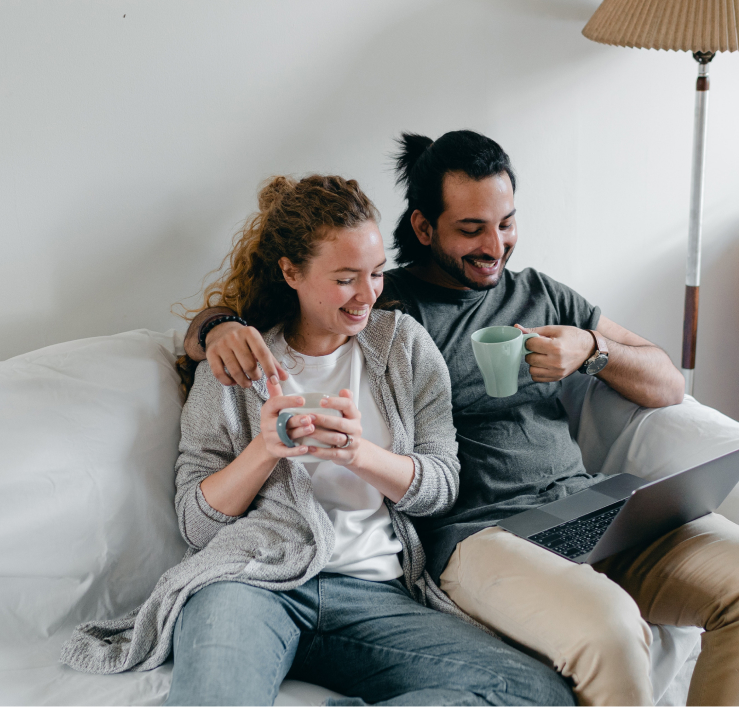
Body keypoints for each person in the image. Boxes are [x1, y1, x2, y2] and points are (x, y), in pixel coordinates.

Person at [182, 133, 739, 706]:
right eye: (471, 229)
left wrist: (592, 349)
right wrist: (218, 325)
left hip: (584, 508)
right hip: (482, 535)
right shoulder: (391, 309)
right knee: (611, 632)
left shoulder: (527, 298)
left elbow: (668, 383)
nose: (494, 245)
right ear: (424, 229)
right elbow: (277, 312)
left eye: (506, 223)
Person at [63, 174, 575, 706]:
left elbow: (442, 486)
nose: (368, 294)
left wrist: (360, 454)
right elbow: (196, 524)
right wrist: (265, 450)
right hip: (252, 583)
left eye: (376, 273)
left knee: (534, 692)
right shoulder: (238, 362)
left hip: (375, 594)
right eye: (346, 278)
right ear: (291, 272)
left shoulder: (403, 347)